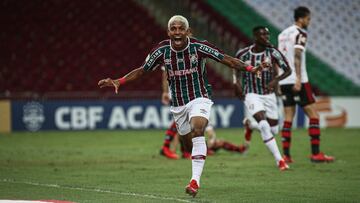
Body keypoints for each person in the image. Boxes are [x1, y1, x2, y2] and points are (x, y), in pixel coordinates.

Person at [98, 15, 263, 197]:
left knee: (198, 128)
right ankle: (194, 153)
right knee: (187, 146)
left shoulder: (199, 47)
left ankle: (194, 182)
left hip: (199, 96)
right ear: (169, 32)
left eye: (180, 28)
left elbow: (227, 59)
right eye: (173, 29)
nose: (177, 32)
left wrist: (250, 69)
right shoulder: (161, 51)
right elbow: (143, 69)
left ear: (187, 31)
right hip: (178, 104)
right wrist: (120, 81)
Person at [278, 7, 334, 163]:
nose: (309, 22)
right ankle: (316, 154)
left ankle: (286, 156)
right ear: (301, 18)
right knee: (314, 115)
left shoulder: (282, 34)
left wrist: (278, 80)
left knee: (288, 117)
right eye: (308, 19)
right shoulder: (300, 33)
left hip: (283, 80)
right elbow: (297, 55)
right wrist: (297, 78)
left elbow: (278, 57)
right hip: (298, 80)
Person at [234, 26, 292, 171]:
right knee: (265, 125)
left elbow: (288, 70)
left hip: (269, 95)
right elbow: (235, 68)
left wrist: (275, 80)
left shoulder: (273, 53)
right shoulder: (243, 54)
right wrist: (236, 83)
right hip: (251, 93)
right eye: (263, 35)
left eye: (267, 34)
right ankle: (280, 161)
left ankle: (251, 126)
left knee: (274, 130)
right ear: (255, 37)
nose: (267, 37)